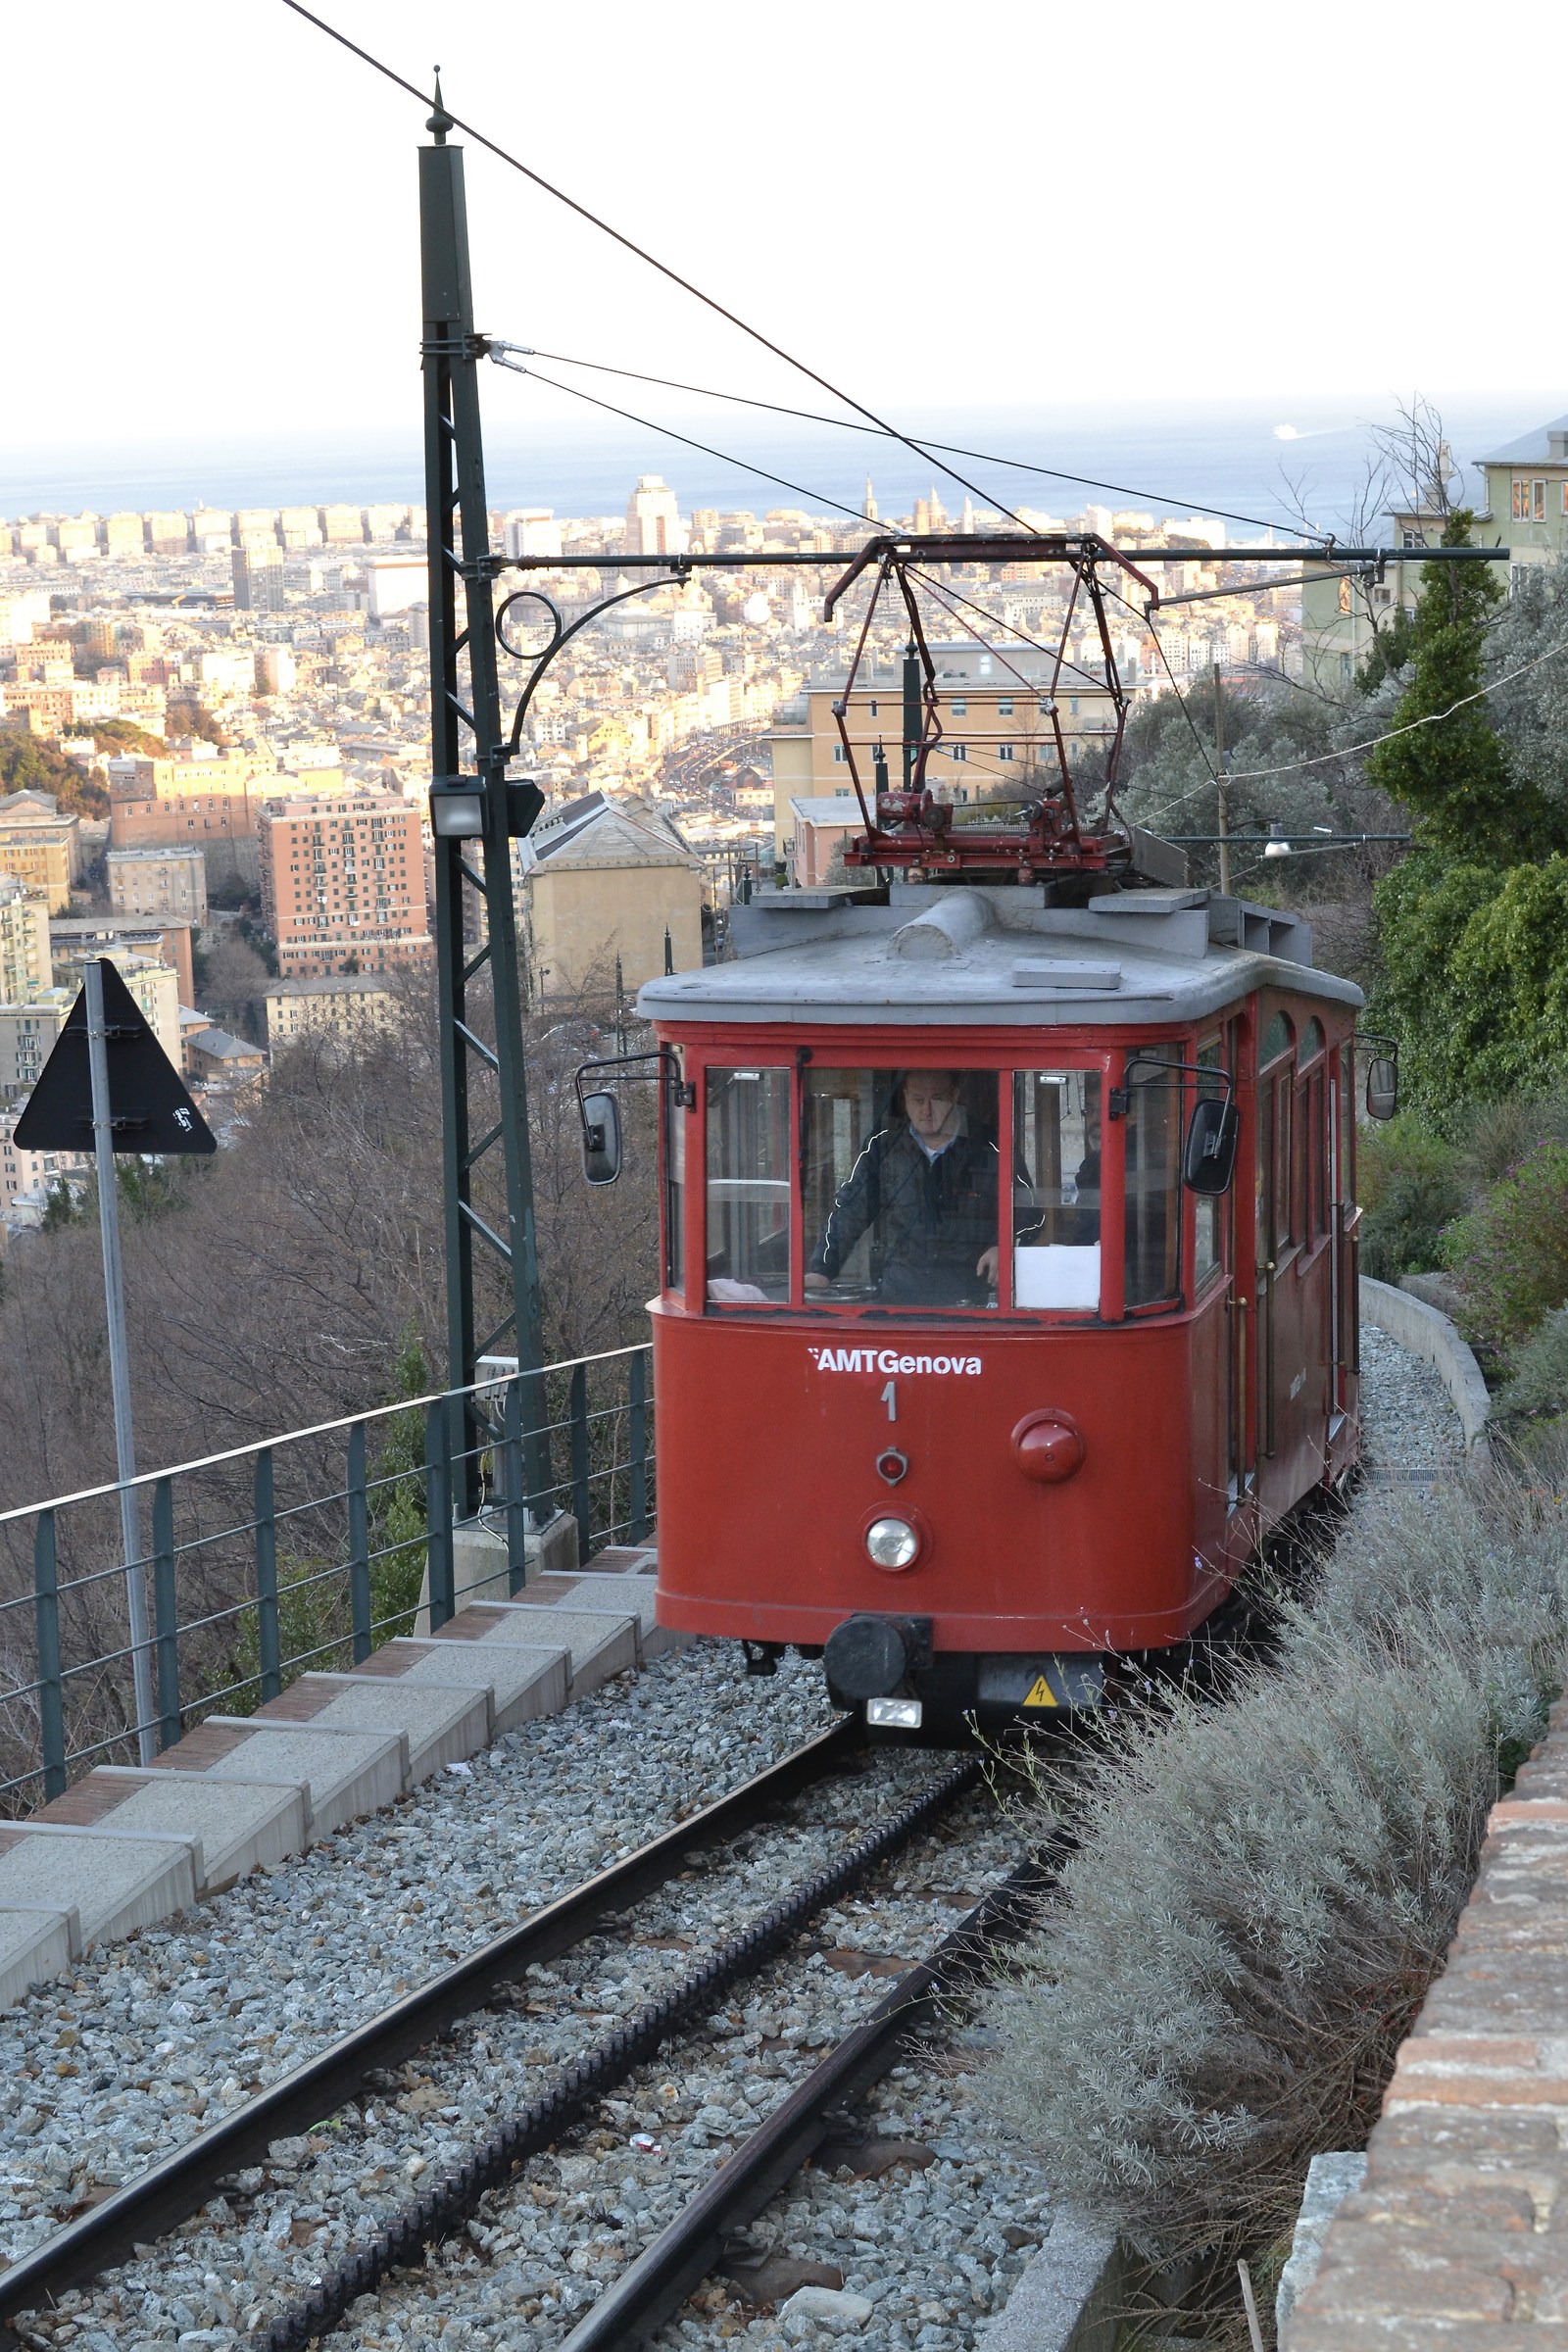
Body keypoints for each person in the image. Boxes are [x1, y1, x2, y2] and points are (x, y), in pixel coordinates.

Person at [806, 1071, 1000, 1306]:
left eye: (937, 1098)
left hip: (970, 1298)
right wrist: (823, 1268)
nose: (926, 1111)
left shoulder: (991, 1146)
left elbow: (1030, 1215)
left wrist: (1003, 1248)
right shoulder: (884, 1146)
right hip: (899, 1297)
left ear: (954, 1095)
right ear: (905, 1098)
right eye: (918, 1100)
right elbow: (850, 1209)